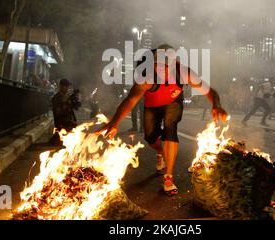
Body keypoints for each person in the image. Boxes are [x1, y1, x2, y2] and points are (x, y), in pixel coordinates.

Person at [97, 44, 228, 196]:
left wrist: (216, 105)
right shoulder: (146, 76)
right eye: (156, 65)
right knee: (150, 137)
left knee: (170, 127)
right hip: (151, 106)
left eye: (164, 66)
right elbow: (130, 100)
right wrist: (114, 123)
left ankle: (168, 178)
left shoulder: (184, 73)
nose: (159, 70)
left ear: (174, 64)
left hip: (173, 103)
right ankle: (160, 151)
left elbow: (209, 90)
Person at [51, 79, 78, 145]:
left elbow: (71, 110)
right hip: (62, 124)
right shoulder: (57, 98)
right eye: (66, 86)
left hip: (68, 123)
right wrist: (65, 105)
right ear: (61, 86)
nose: (68, 88)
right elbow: (58, 113)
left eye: (68, 86)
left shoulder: (66, 97)